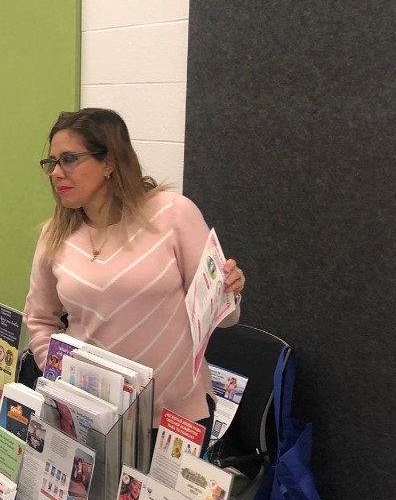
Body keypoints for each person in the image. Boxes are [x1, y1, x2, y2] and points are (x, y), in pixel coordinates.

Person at [24, 108, 246, 442]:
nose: (56, 173)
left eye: (69, 159)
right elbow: (40, 321)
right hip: (93, 418)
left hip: (177, 415)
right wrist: (61, 379)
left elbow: (223, 318)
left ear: (109, 162)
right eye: (52, 162)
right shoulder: (54, 235)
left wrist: (228, 291)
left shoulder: (173, 214)